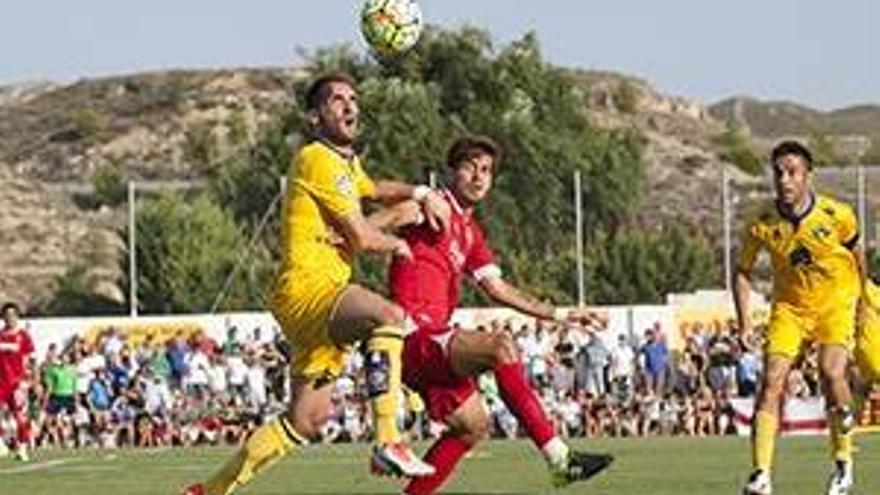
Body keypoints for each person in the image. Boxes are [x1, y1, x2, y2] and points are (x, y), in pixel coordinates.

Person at [185, 72, 450, 495]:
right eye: (336, 100)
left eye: (352, 99)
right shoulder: (316, 158)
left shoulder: (342, 162)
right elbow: (361, 237)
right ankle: (388, 439)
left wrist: (419, 192)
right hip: (309, 287)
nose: (349, 106)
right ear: (315, 116)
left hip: (305, 295)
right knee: (388, 316)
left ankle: (209, 492)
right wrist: (397, 241)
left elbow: (373, 188)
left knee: (304, 421)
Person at [377, 135, 613, 495]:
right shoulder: (434, 204)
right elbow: (391, 211)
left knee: (473, 427)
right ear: (451, 173)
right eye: (470, 167)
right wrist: (354, 231)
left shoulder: (470, 234)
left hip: (432, 343)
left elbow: (500, 290)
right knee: (500, 346)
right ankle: (560, 459)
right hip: (412, 334)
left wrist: (562, 315)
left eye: (486, 170)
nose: (479, 176)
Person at [734, 141, 867, 495]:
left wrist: (864, 300)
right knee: (771, 380)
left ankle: (843, 465)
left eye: (792, 172)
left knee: (830, 371)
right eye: (778, 172)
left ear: (808, 176)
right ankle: (761, 475)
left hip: (835, 304)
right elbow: (743, 271)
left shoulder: (837, 214)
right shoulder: (761, 223)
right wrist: (744, 322)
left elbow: (857, 256)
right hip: (790, 309)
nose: (784, 180)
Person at [0, 302, 35, 461]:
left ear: (17, 317)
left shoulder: (23, 336)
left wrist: (28, 380)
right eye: (7, 315)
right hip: (1, 381)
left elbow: (30, 360)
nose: (10, 318)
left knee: (20, 417)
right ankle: (1, 445)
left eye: (13, 315)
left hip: (16, 383)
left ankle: (22, 448)